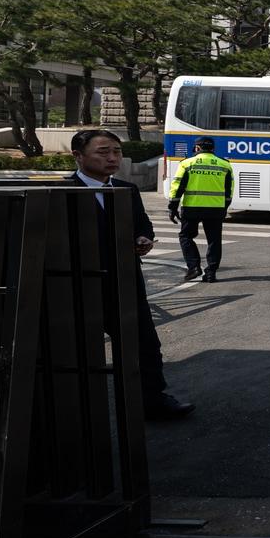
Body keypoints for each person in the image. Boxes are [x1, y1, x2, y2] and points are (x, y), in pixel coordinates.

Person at [70, 129, 193, 420]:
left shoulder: (126, 189)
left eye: (116, 151)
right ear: (78, 155)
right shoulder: (63, 191)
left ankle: (153, 400)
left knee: (145, 345)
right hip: (79, 285)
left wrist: (144, 238)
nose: (112, 158)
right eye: (103, 152)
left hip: (124, 282)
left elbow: (143, 224)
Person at [168, 136, 233, 283]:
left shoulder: (187, 164)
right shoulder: (225, 165)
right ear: (213, 149)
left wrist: (172, 207)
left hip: (192, 208)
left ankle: (194, 267)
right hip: (216, 209)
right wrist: (224, 207)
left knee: (186, 236)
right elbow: (229, 191)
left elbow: (178, 186)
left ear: (197, 148)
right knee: (214, 241)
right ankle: (211, 273)